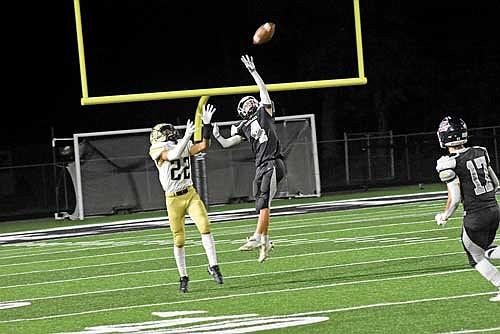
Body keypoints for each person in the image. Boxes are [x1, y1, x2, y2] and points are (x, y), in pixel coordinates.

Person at [212, 54, 286, 263]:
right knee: (261, 203)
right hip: (261, 165)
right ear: (240, 111)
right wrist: (216, 134)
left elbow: (263, 92)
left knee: (264, 202)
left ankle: (257, 238)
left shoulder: (265, 112)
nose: (249, 104)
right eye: (244, 104)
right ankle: (266, 242)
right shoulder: (244, 126)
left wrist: (254, 72)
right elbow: (227, 144)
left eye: (249, 101)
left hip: (273, 161)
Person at [149, 103, 224, 293]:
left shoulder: (182, 142)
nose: (171, 133)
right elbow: (173, 155)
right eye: (166, 131)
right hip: (173, 199)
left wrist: (206, 126)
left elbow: (204, 145)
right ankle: (183, 276)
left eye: (170, 130)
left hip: (190, 193)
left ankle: (213, 265)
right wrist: (187, 137)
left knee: (205, 227)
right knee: (179, 239)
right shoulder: (156, 149)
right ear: (157, 136)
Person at [435, 116, 500, 302]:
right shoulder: (480, 151)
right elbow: (496, 184)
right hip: (494, 209)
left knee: (475, 257)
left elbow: (455, 198)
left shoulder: (449, 163)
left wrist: (445, 215)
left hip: (475, 215)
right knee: (484, 248)